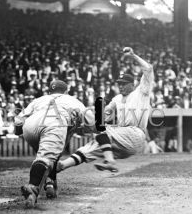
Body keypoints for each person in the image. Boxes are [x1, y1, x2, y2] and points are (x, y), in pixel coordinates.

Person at [55, 47, 154, 175]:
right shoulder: (117, 98)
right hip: (122, 139)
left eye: (124, 83)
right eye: (119, 83)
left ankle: (110, 160)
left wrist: (133, 56)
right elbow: (102, 115)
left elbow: (149, 69)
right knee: (93, 144)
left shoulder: (141, 92)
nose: (121, 86)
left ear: (133, 84)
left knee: (100, 129)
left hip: (136, 134)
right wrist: (84, 120)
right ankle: (62, 165)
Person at [15, 80, 94, 208]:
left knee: (49, 155)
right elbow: (92, 124)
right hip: (54, 122)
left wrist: (19, 131)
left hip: (31, 125)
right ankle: (33, 187)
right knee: (46, 158)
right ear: (66, 91)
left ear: (49, 91)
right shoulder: (72, 100)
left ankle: (50, 182)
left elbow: (19, 120)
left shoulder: (39, 99)